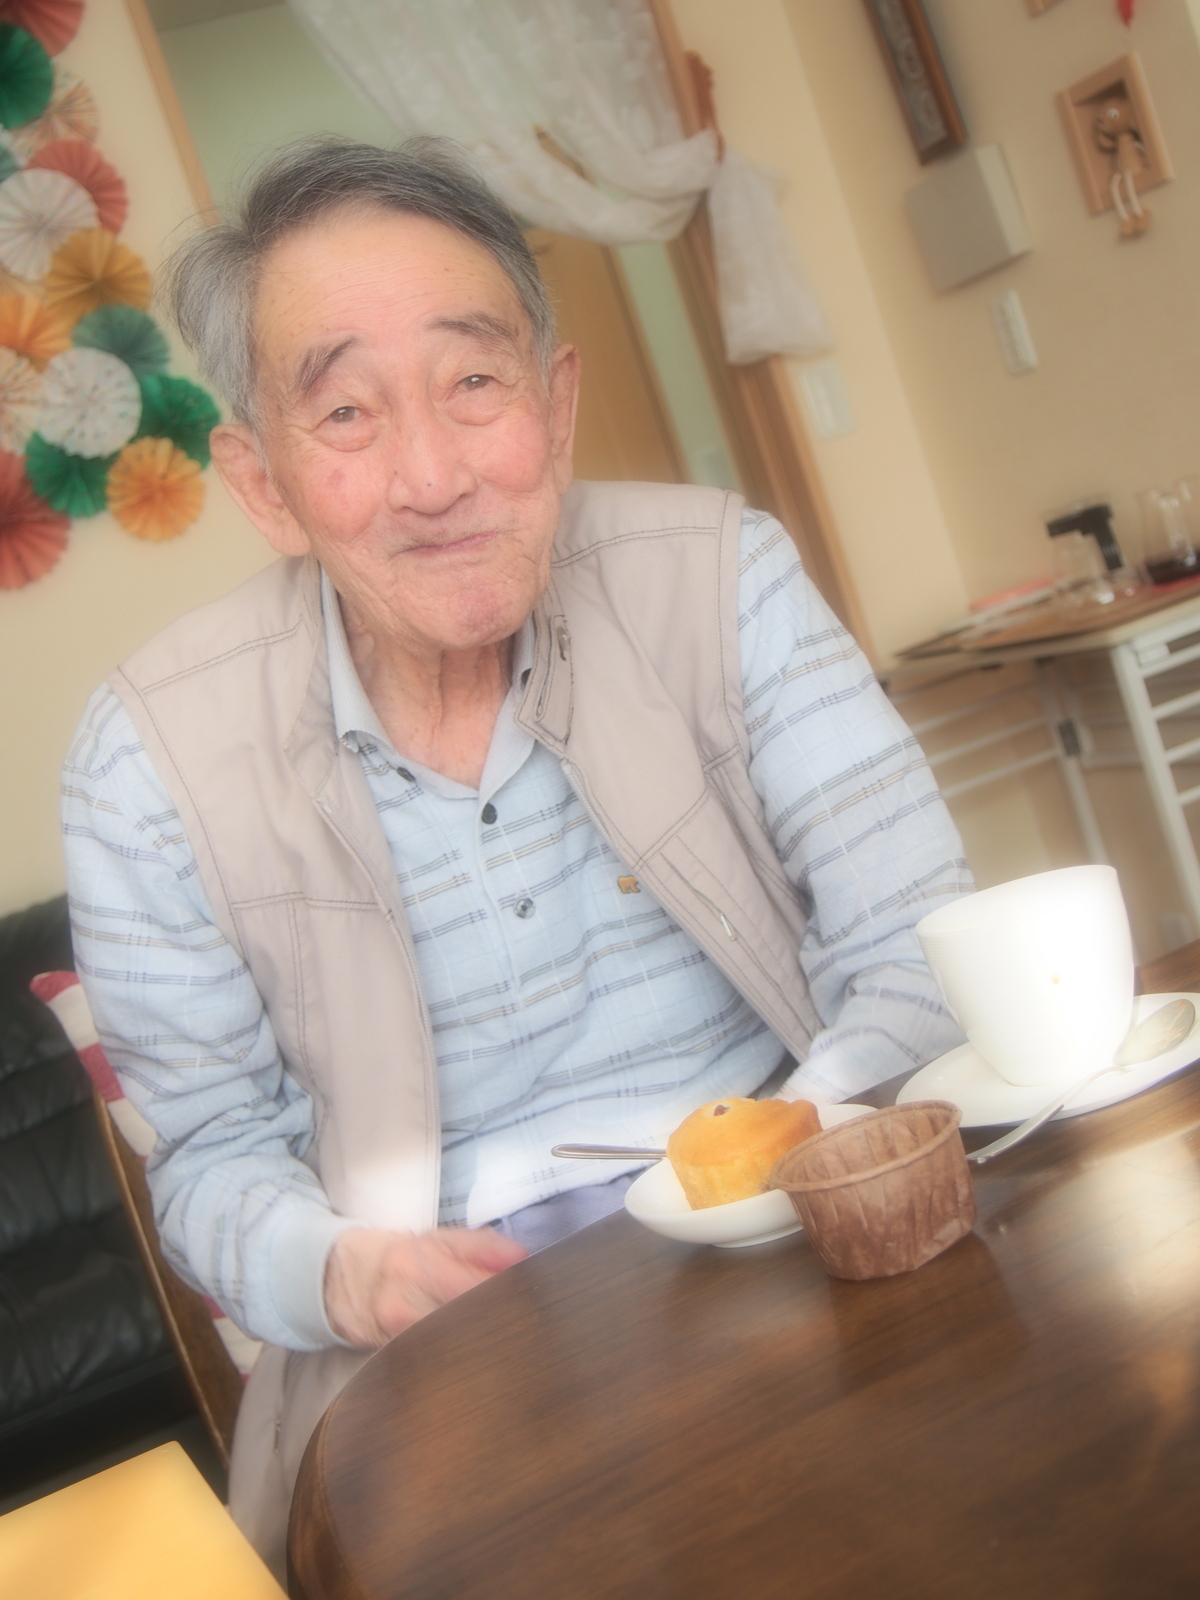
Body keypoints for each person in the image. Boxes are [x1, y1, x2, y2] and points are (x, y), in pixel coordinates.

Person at [61, 138, 970, 1571]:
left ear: (555, 403)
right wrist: (350, 1275)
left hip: (803, 1224)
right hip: (439, 1367)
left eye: (475, 382)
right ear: (264, 483)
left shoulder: (722, 577)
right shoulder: (146, 761)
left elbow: (913, 940)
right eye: (345, 412)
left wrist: (795, 1144)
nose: (432, 476)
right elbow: (215, 1164)